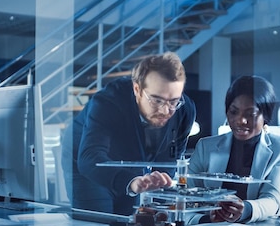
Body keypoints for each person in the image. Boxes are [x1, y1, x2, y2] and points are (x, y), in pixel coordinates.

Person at [61, 52, 196, 215]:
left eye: (173, 101)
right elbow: (89, 158)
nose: (165, 110)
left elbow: (169, 160)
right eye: (157, 100)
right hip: (87, 160)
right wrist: (130, 182)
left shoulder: (184, 110)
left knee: (132, 222)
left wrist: (158, 192)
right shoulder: (108, 101)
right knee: (101, 223)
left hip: (132, 160)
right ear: (137, 89)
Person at [186, 75, 280, 224]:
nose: (240, 120)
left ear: (266, 115)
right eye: (233, 112)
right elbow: (187, 197)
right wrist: (208, 219)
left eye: (250, 114)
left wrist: (245, 209)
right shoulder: (206, 147)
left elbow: (273, 200)